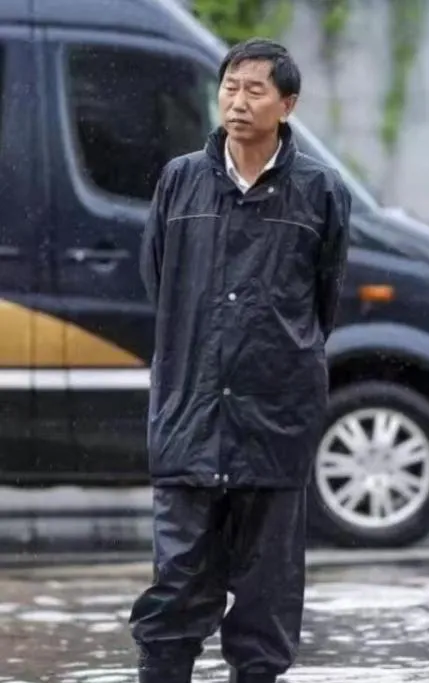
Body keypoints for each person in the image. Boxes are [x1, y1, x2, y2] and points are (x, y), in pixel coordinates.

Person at [129, 37, 351, 683]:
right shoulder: (180, 180)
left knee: (265, 600)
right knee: (176, 588)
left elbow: (322, 301)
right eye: (230, 87)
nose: (238, 101)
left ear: (288, 104)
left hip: (275, 419)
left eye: (256, 90)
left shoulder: (319, 190)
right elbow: (159, 282)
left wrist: (272, 354)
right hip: (190, 415)